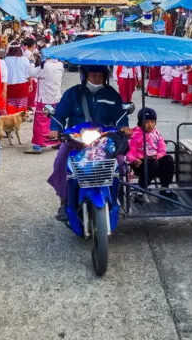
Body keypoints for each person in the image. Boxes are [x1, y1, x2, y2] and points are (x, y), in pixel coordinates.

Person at [47, 66, 131, 221]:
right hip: (76, 138)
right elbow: (59, 114)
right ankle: (64, 202)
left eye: (100, 75)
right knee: (60, 163)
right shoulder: (72, 93)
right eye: (93, 74)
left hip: (105, 137)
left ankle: (116, 196)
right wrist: (55, 128)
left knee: (120, 163)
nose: (97, 78)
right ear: (85, 75)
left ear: (105, 76)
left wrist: (124, 127)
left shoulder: (111, 94)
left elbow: (120, 116)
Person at [127, 108, 174, 189]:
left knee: (168, 159)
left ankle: (165, 187)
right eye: (146, 122)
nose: (150, 125)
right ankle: (142, 187)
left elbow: (162, 149)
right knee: (152, 163)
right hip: (140, 163)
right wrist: (134, 159)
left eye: (152, 122)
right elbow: (129, 152)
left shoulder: (156, 133)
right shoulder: (135, 134)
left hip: (154, 159)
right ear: (140, 123)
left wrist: (157, 156)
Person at [28, 53, 65, 153]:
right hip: (56, 97)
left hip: (44, 98)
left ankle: (39, 144)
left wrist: (32, 62)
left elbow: (31, 73)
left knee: (41, 121)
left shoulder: (44, 66)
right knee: (54, 120)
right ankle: (57, 141)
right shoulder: (60, 65)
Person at [3, 44, 31, 113]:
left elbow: (3, 76)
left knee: (11, 109)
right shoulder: (25, 60)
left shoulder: (5, 60)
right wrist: (31, 84)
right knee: (22, 110)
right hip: (22, 87)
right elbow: (28, 74)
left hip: (10, 87)